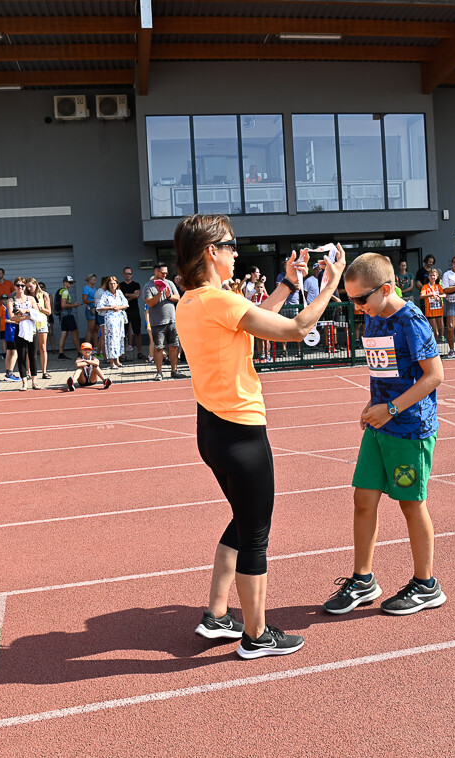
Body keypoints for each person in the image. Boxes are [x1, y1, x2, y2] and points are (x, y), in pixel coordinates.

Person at [172, 213, 345, 659]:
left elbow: (253, 323)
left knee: (243, 520)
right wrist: (330, 284)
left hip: (211, 430)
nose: (235, 251)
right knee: (256, 534)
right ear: (211, 251)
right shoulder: (219, 300)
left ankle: (215, 614)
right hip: (241, 432)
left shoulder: (194, 302)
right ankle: (256, 635)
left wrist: (288, 285)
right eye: (230, 244)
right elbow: (295, 330)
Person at [323, 252, 445, 617]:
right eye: (351, 300)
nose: (357, 307)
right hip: (379, 428)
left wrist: (391, 409)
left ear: (386, 289)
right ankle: (363, 580)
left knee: (411, 504)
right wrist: (372, 405)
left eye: (361, 299)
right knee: (363, 499)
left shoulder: (412, 321)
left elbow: (434, 375)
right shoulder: (373, 319)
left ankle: (426, 585)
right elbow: (386, 372)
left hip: (409, 430)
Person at [145, 262, 187, 381]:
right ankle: (159, 373)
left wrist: (169, 296)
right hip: (157, 322)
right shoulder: (148, 286)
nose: (164, 275)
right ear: (156, 272)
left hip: (172, 320)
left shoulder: (170, 283)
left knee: (174, 346)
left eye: (166, 273)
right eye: (162, 272)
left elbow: (178, 297)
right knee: (158, 348)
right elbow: (150, 303)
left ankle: (174, 370)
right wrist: (159, 293)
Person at [7, 278, 43, 391]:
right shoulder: (11, 300)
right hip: (20, 330)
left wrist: (26, 311)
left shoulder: (31, 298)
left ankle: (34, 381)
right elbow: (12, 317)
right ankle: (24, 382)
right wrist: (27, 317)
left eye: (23, 285)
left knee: (33, 356)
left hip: (32, 329)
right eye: (18, 285)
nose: (21, 288)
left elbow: (37, 314)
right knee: (21, 356)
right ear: (15, 286)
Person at [95, 275, 128, 370]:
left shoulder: (119, 293)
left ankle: (117, 360)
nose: (112, 285)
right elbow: (99, 307)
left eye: (114, 283)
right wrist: (111, 308)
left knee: (118, 339)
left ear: (117, 284)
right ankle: (111, 362)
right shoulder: (105, 294)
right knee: (111, 339)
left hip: (119, 318)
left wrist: (119, 307)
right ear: (108, 285)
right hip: (110, 318)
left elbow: (125, 304)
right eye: (110, 283)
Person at [25, 278, 51, 380]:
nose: (29, 288)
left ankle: (44, 371)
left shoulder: (44, 294)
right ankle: (29, 371)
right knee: (29, 349)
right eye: (27, 287)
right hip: (30, 323)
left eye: (31, 286)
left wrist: (40, 308)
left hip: (42, 322)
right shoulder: (26, 296)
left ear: (36, 284)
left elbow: (49, 312)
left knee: (43, 347)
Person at [119, 267, 146, 362]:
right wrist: (131, 296)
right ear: (123, 274)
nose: (128, 275)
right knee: (123, 333)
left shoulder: (136, 284)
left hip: (134, 310)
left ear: (132, 274)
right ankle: (123, 355)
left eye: (129, 273)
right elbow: (120, 298)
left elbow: (137, 295)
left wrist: (125, 295)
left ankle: (139, 352)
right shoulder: (119, 285)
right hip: (123, 312)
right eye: (126, 273)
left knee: (137, 332)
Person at [55, 276, 82, 358]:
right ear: (65, 282)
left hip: (62, 316)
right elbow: (63, 305)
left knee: (64, 333)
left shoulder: (60, 290)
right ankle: (79, 352)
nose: (71, 284)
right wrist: (74, 305)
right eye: (70, 282)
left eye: (72, 282)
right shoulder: (65, 292)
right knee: (75, 333)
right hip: (67, 315)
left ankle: (60, 353)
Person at [420, 267, 444, 342]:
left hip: (439, 310)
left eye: (434, 275)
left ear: (437, 277)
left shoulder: (438, 286)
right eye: (431, 275)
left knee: (440, 330)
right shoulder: (425, 286)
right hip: (430, 311)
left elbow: (444, 295)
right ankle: (434, 348)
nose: (432, 277)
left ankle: (440, 339)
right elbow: (421, 296)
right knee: (435, 333)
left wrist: (438, 296)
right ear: (428, 276)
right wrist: (430, 295)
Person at [0, 293, 19, 382]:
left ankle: (8, 373)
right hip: (12, 332)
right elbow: (6, 319)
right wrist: (18, 321)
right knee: (14, 352)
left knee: (9, 352)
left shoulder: (11, 307)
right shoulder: (11, 308)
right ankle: (10, 373)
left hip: (10, 332)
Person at [81, 273, 101, 356]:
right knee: (90, 328)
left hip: (96, 309)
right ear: (89, 280)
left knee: (96, 328)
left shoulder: (94, 288)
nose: (94, 281)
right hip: (90, 310)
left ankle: (96, 346)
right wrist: (94, 302)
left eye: (95, 280)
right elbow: (84, 300)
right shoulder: (86, 288)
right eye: (93, 280)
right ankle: (87, 347)